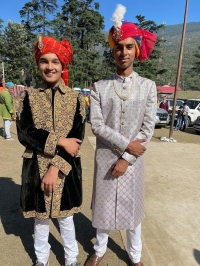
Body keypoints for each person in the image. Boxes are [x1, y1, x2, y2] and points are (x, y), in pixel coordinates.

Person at [86, 4, 157, 266]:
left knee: (132, 209)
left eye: (128, 46)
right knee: (104, 206)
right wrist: (128, 144)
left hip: (133, 162)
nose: (123, 51)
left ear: (136, 50)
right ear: (112, 50)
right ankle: (100, 249)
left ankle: (135, 255)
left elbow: (147, 128)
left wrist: (127, 158)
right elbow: (97, 125)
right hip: (106, 157)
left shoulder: (148, 87)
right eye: (118, 47)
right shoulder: (100, 87)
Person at [16, 36, 85, 266]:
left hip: (65, 170)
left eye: (55, 61)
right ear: (38, 65)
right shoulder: (29, 97)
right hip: (35, 168)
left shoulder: (75, 99)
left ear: (62, 65)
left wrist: (55, 167)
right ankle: (41, 260)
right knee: (41, 221)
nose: (50, 67)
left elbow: (76, 140)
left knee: (66, 219)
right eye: (44, 61)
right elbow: (24, 132)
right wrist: (60, 141)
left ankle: (71, 259)